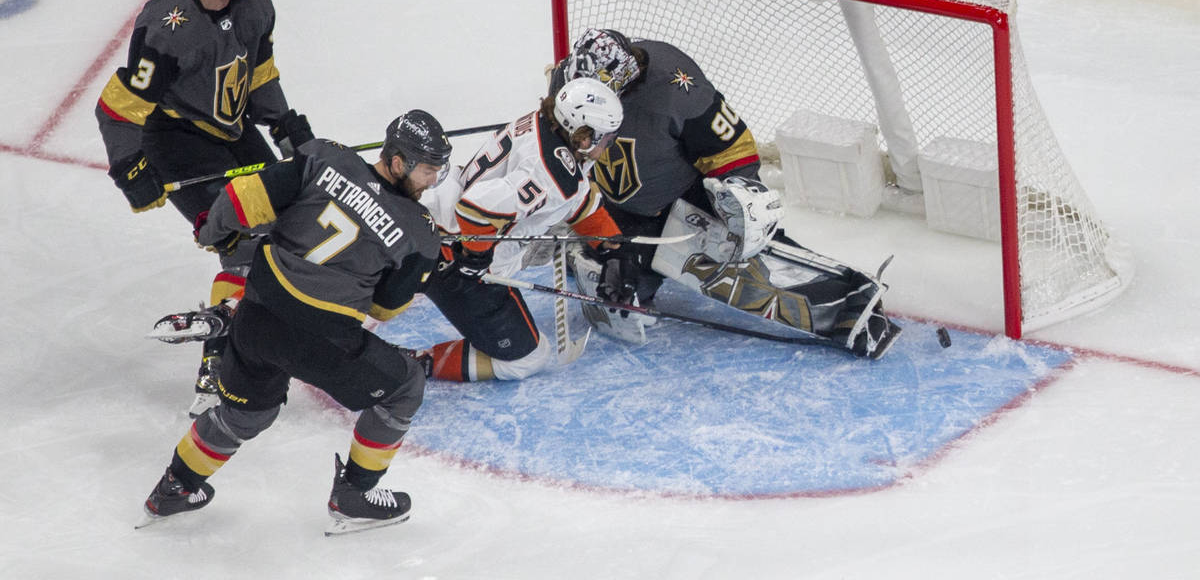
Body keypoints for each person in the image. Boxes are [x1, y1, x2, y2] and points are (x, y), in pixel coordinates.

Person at [137, 110, 449, 536]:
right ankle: (354, 495)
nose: (433, 181)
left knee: (245, 415)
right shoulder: (421, 231)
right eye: (429, 170)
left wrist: (214, 233)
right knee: (405, 385)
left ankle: (175, 487)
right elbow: (384, 310)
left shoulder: (324, 157)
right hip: (321, 341)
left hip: (257, 316)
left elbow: (242, 199)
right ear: (398, 162)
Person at [548, 28, 900, 359]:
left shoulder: (677, 87)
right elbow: (552, 143)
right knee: (616, 294)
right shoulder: (568, 83)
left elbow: (732, 148)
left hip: (682, 204)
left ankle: (852, 309)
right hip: (612, 209)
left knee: (758, 272)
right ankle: (593, 247)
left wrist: (740, 196)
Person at [95, 0, 315, 415]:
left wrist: (284, 127)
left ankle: (257, 334)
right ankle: (217, 368)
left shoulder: (256, 3)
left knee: (288, 221)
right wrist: (130, 169)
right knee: (240, 238)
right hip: (176, 141)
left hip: (233, 132)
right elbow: (116, 110)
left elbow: (258, 73)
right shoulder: (167, 29)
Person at [416, 77, 632, 382]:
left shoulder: (547, 123)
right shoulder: (553, 172)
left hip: (441, 218)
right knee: (528, 358)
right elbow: (475, 210)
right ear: (583, 136)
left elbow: (576, 196)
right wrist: (475, 259)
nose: (608, 144)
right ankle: (413, 366)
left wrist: (612, 250)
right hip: (453, 259)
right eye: (606, 137)